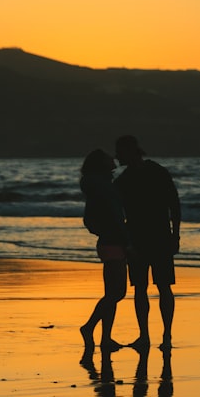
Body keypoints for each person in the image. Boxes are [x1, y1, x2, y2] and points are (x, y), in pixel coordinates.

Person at [114, 135, 181, 351]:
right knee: (148, 287)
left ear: (130, 151)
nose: (117, 157)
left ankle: (164, 335)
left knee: (157, 287)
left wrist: (175, 235)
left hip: (151, 238)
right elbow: (175, 206)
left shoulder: (144, 175)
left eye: (120, 152)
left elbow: (174, 205)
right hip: (146, 238)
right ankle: (149, 336)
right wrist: (174, 235)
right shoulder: (126, 179)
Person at [79, 149, 131, 361]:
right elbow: (115, 216)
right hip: (114, 241)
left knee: (113, 293)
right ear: (101, 164)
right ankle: (89, 327)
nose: (113, 159)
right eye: (108, 158)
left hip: (109, 240)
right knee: (116, 293)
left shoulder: (97, 186)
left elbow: (90, 218)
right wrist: (126, 241)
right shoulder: (102, 187)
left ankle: (106, 338)